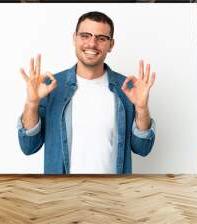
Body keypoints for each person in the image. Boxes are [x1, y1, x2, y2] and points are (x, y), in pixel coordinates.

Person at [17, 11, 156, 174]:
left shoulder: (127, 88)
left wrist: (142, 109)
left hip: (113, 194)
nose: (92, 43)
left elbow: (142, 149)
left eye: (101, 38)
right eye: (85, 36)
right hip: (62, 194)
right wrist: (32, 103)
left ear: (111, 45)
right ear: (74, 38)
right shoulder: (51, 86)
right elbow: (28, 147)